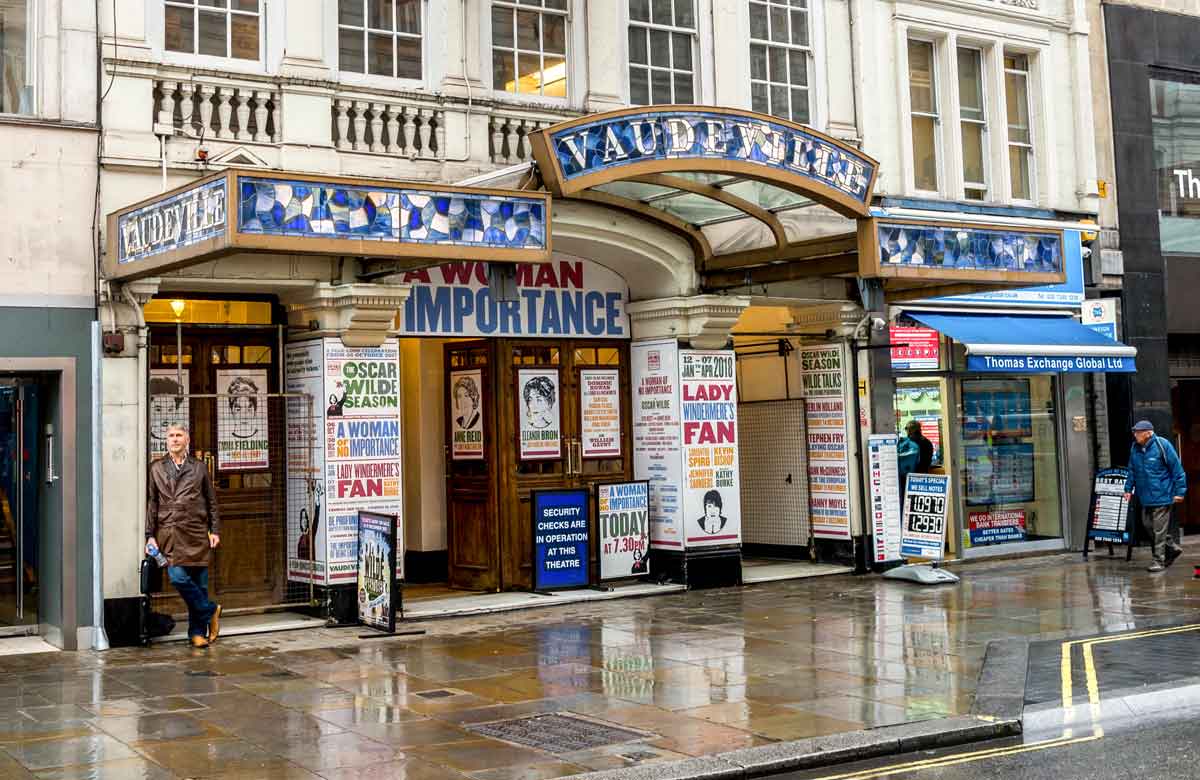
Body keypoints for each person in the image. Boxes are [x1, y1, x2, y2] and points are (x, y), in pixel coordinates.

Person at [146, 424, 222, 647]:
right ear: (166, 441)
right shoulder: (156, 468)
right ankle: (211, 610)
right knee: (178, 577)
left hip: (197, 531)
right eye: (171, 436)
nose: (175, 439)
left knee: (199, 585)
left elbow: (212, 501)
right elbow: (152, 502)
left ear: (187, 439)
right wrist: (149, 534)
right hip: (169, 532)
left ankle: (197, 633)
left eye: (179, 435)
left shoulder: (199, 468)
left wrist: (215, 530)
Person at [1124, 420, 1187, 572]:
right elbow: (1132, 470)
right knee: (1148, 526)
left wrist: (1180, 492)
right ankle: (1171, 547)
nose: (1135, 435)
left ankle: (1158, 560)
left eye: (1138, 432)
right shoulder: (1135, 448)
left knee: (1159, 530)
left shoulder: (1162, 445)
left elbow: (1177, 470)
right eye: (1134, 432)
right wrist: (1127, 489)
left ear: (1148, 433)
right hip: (1145, 496)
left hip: (1163, 495)